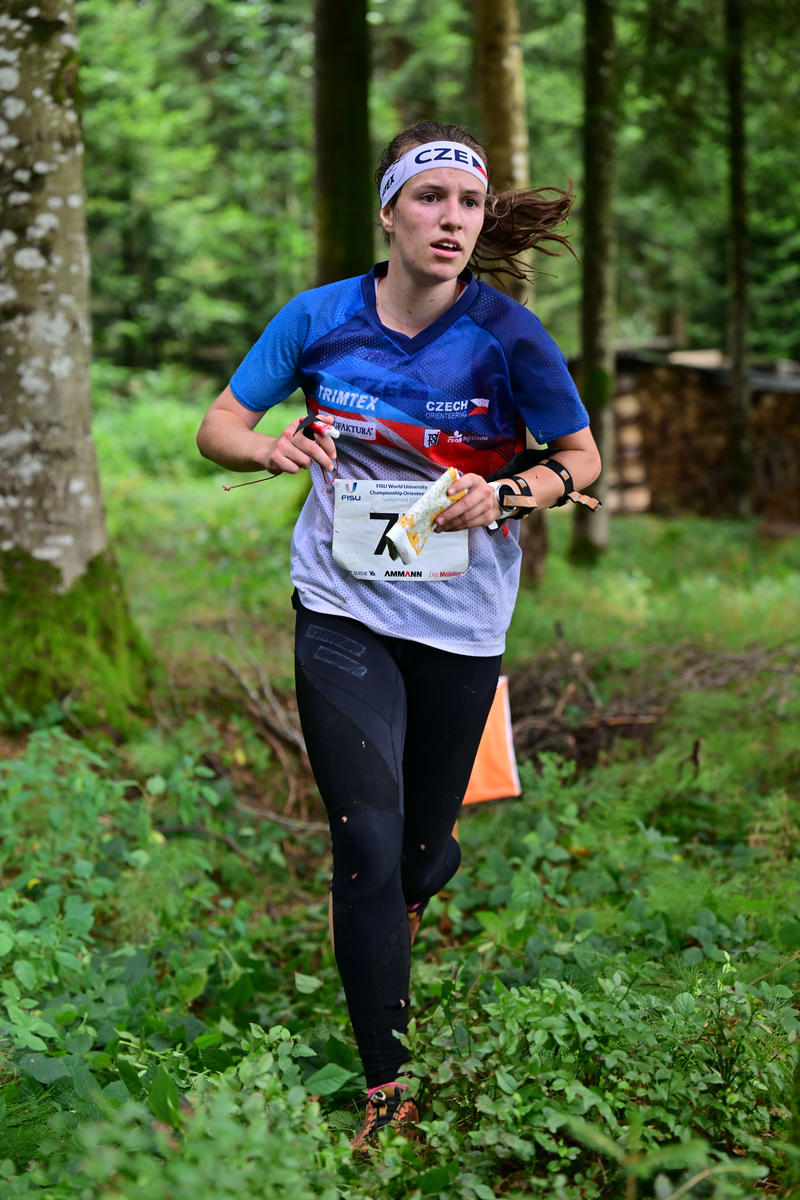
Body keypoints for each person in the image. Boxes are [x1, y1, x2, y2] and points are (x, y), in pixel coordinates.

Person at [196, 119, 601, 1150]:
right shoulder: (318, 317)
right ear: (389, 211)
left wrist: (508, 493)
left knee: (418, 858)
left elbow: (580, 457)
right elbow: (218, 427)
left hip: (461, 622)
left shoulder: (508, 335)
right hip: (342, 606)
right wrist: (269, 448)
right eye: (429, 198)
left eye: (468, 203)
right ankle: (389, 1089)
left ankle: (420, 880)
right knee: (367, 844)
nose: (450, 220)